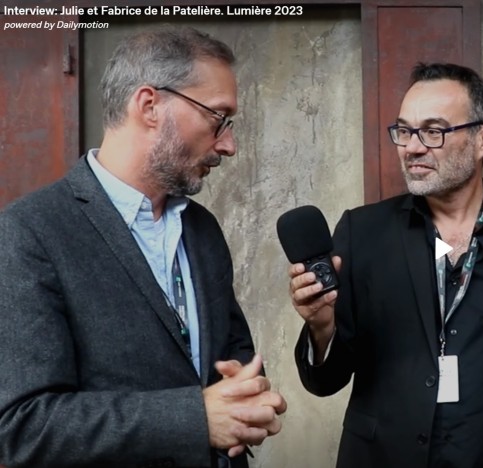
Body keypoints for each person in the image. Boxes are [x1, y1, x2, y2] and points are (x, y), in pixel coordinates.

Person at [0, 27, 286, 467]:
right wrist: (196, 419)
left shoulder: (202, 228)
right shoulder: (29, 231)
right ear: (150, 105)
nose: (228, 145)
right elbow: (23, 427)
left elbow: (232, 352)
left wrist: (248, 393)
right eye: (218, 117)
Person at [289, 62, 483, 468]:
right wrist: (323, 328)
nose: (412, 148)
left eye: (433, 131)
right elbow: (326, 381)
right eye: (404, 131)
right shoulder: (363, 232)